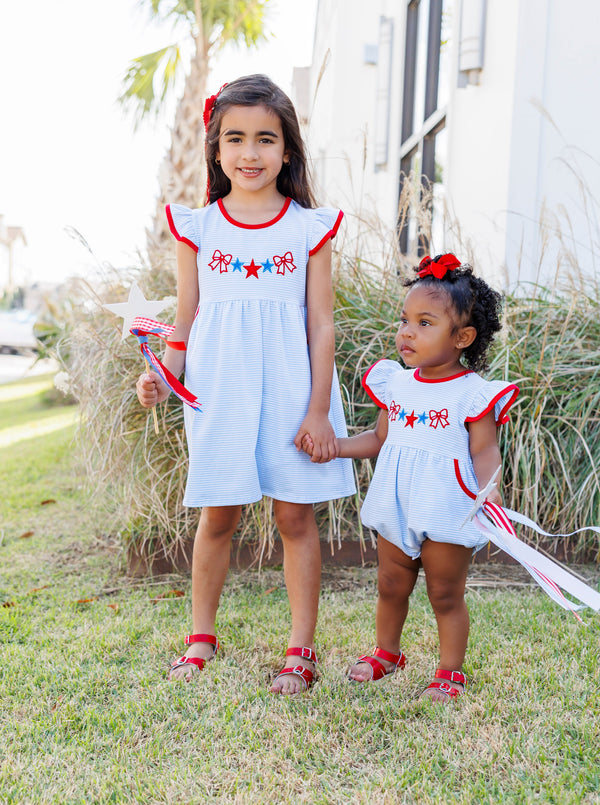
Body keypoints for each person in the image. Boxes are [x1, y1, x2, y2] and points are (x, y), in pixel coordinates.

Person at [136, 74, 355, 694]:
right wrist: (163, 374)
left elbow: (320, 323)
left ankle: (300, 649)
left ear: (287, 150)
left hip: (291, 387)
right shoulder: (198, 228)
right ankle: (201, 638)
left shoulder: (308, 228)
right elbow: (185, 320)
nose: (250, 153)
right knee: (219, 516)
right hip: (222, 386)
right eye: (235, 139)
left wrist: (318, 412)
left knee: (294, 517)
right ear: (216, 149)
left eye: (266, 139)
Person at [303, 254, 519, 702]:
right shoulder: (396, 384)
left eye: (425, 323)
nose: (406, 331)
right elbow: (380, 438)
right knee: (390, 583)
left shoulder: (473, 393)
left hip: (447, 508)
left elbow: (484, 450)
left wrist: (490, 493)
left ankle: (449, 671)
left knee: (444, 593)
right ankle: (388, 652)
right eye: (405, 320)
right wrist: (336, 446)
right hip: (396, 501)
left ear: (462, 337)